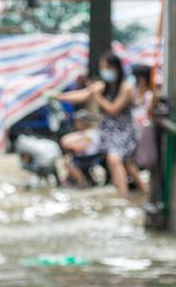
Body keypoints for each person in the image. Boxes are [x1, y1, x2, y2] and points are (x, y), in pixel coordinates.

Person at [54, 52, 146, 198]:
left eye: (107, 67)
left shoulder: (126, 88)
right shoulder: (103, 87)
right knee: (67, 141)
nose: (104, 70)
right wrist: (57, 96)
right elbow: (82, 95)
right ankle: (84, 177)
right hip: (103, 131)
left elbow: (113, 110)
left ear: (116, 68)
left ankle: (123, 196)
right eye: (102, 67)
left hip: (123, 133)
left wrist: (97, 96)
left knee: (114, 159)